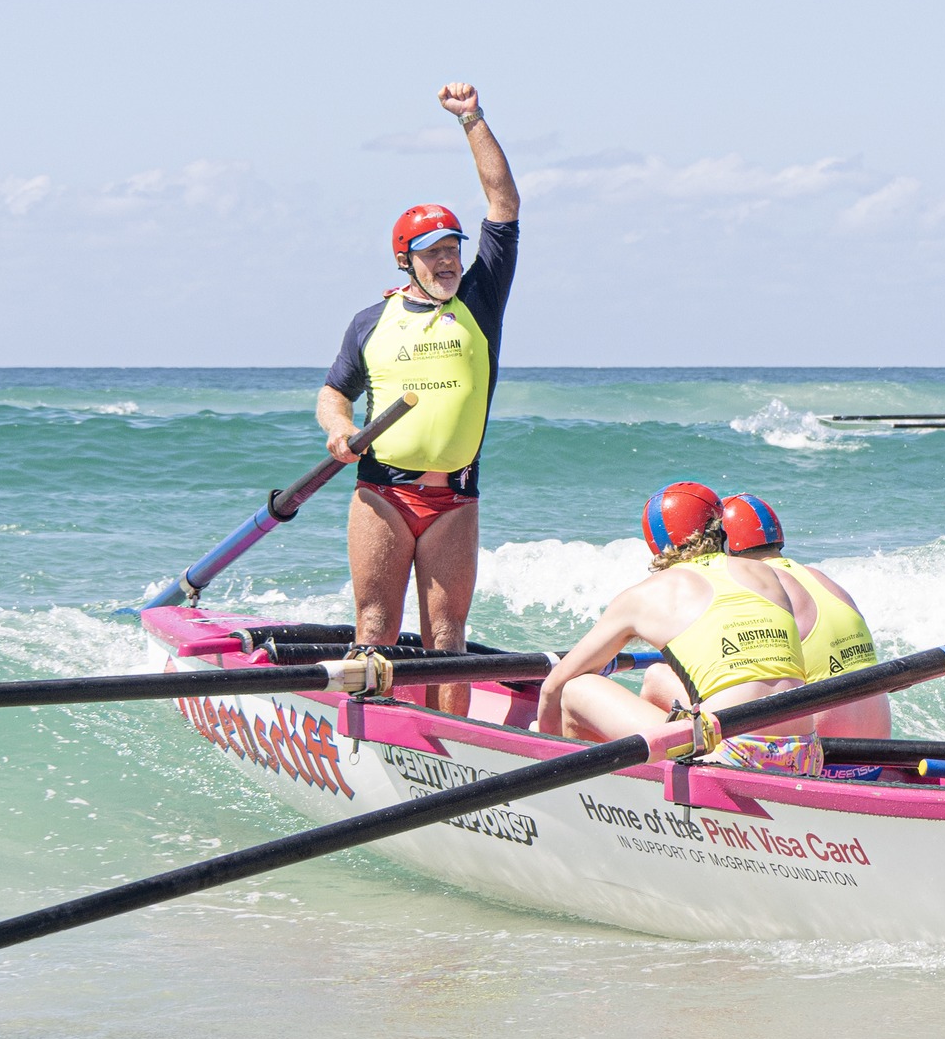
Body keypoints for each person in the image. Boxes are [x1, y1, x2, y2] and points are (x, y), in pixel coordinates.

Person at [318, 82, 520, 715]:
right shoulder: (369, 323)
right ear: (406, 262)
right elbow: (333, 392)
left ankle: (447, 746)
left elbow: (504, 202)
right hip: (382, 492)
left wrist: (473, 120)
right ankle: (369, 732)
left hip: (454, 497)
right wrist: (338, 429)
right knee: (375, 626)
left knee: (446, 639)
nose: (449, 262)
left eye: (454, 250)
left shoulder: (480, 302)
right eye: (433, 254)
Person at [536, 483, 823, 775]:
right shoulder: (768, 575)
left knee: (575, 689)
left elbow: (552, 688)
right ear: (721, 530)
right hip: (805, 754)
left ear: (656, 544)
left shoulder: (645, 595)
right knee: (657, 678)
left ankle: (571, 782)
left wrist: (541, 743)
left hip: (731, 754)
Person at [701, 492, 892, 738]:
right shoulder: (820, 577)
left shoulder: (759, 586)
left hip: (825, 750)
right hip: (878, 744)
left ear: (725, 545)